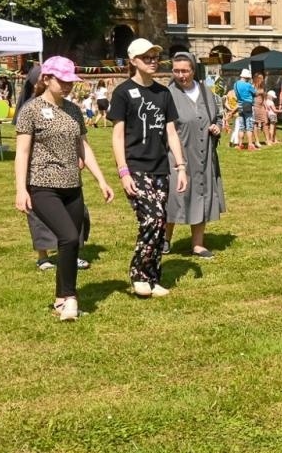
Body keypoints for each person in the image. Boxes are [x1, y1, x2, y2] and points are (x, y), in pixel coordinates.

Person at [13, 56, 114, 322]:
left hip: (73, 186)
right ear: (47, 79)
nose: (69, 86)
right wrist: (21, 190)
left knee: (72, 243)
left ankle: (62, 297)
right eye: (63, 80)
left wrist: (101, 180)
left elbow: (84, 147)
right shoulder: (31, 110)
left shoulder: (73, 110)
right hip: (43, 185)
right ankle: (70, 298)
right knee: (69, 237)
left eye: (71, 81)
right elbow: (22, 152)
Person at [109, 39, 188, 298]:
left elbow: (171, 133)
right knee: (151, 219)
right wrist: (123, 171)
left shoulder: (163, 93)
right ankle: (138, 274)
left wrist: (181, 166)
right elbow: (118, 136)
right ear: (133, 61)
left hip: (160, 168)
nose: (153, 61)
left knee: (159, 222)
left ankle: (152, 278)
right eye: (147, 57)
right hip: (135, 167)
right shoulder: (122, 93)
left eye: (155, 56)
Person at [164, 51, 226, 259]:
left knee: (202, 193)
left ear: (193, 70)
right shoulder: (167, 94)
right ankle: (164, 240)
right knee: (173, 197)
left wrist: (217, 127)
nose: (181, 75)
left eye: (185, 71)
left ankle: (198, 244)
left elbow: (217, 117)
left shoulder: (206, 92)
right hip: (177, 156)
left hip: (204, 154)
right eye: (176, 71)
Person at [232, 67, 258, 151]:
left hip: (239, 105)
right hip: (248, 105)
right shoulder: (248, 85)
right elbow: (255, 93)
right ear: (246, 77)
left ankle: (240, 144)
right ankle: (250, 144)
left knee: (241, 126)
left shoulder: (235, 84)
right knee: (249, 125)